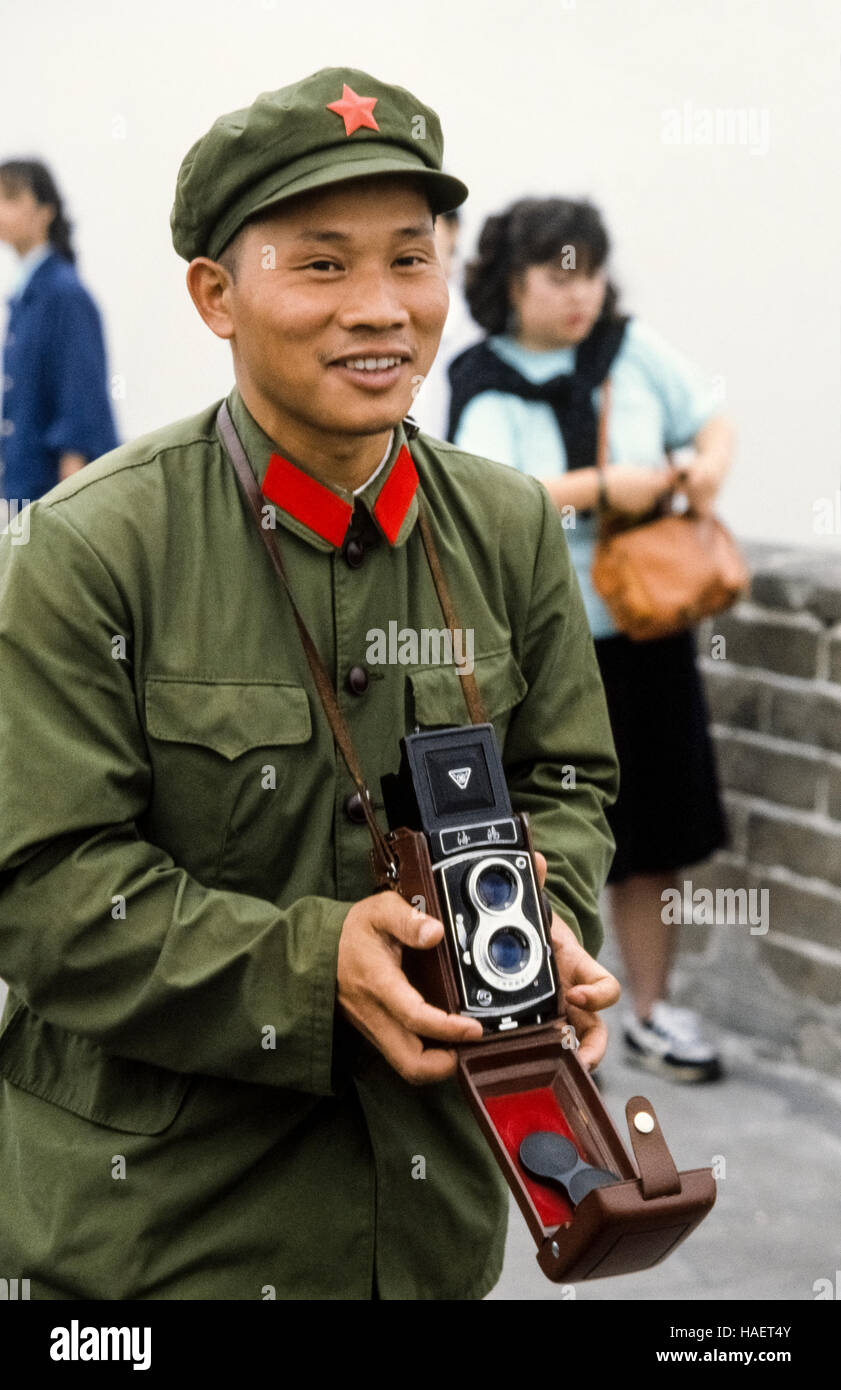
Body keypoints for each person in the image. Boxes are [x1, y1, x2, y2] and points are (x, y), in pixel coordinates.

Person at [0, 72, 620, 1301]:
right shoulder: (88, 550)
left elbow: (569, 780)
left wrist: (543, 930)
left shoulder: (501, 528)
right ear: (215, 297)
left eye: (410, 258)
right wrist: (311, 967)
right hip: (164, 1244)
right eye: (322, 267)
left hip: (434, 1232)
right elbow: (41, 886)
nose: (381, 310)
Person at [450, 197, 733, 1084]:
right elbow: (500, 493)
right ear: (510, 284)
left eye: (591, 273)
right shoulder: (479, 376)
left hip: (643, 634)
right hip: (535, 648)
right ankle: (547, 1009)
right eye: (556, 275)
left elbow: (709, 417)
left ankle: (646, 1010)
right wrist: (613, 484)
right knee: (537, 833)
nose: (580, 295)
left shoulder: (632, 352)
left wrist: (699, 471)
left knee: (654, 834)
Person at [0, 159, 118, 505]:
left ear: (45, 211)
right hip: (25, 493)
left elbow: (80, 403)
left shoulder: (63, 294)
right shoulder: (26, 297)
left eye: (11, 197)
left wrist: (72, 506)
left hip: (54, 498)